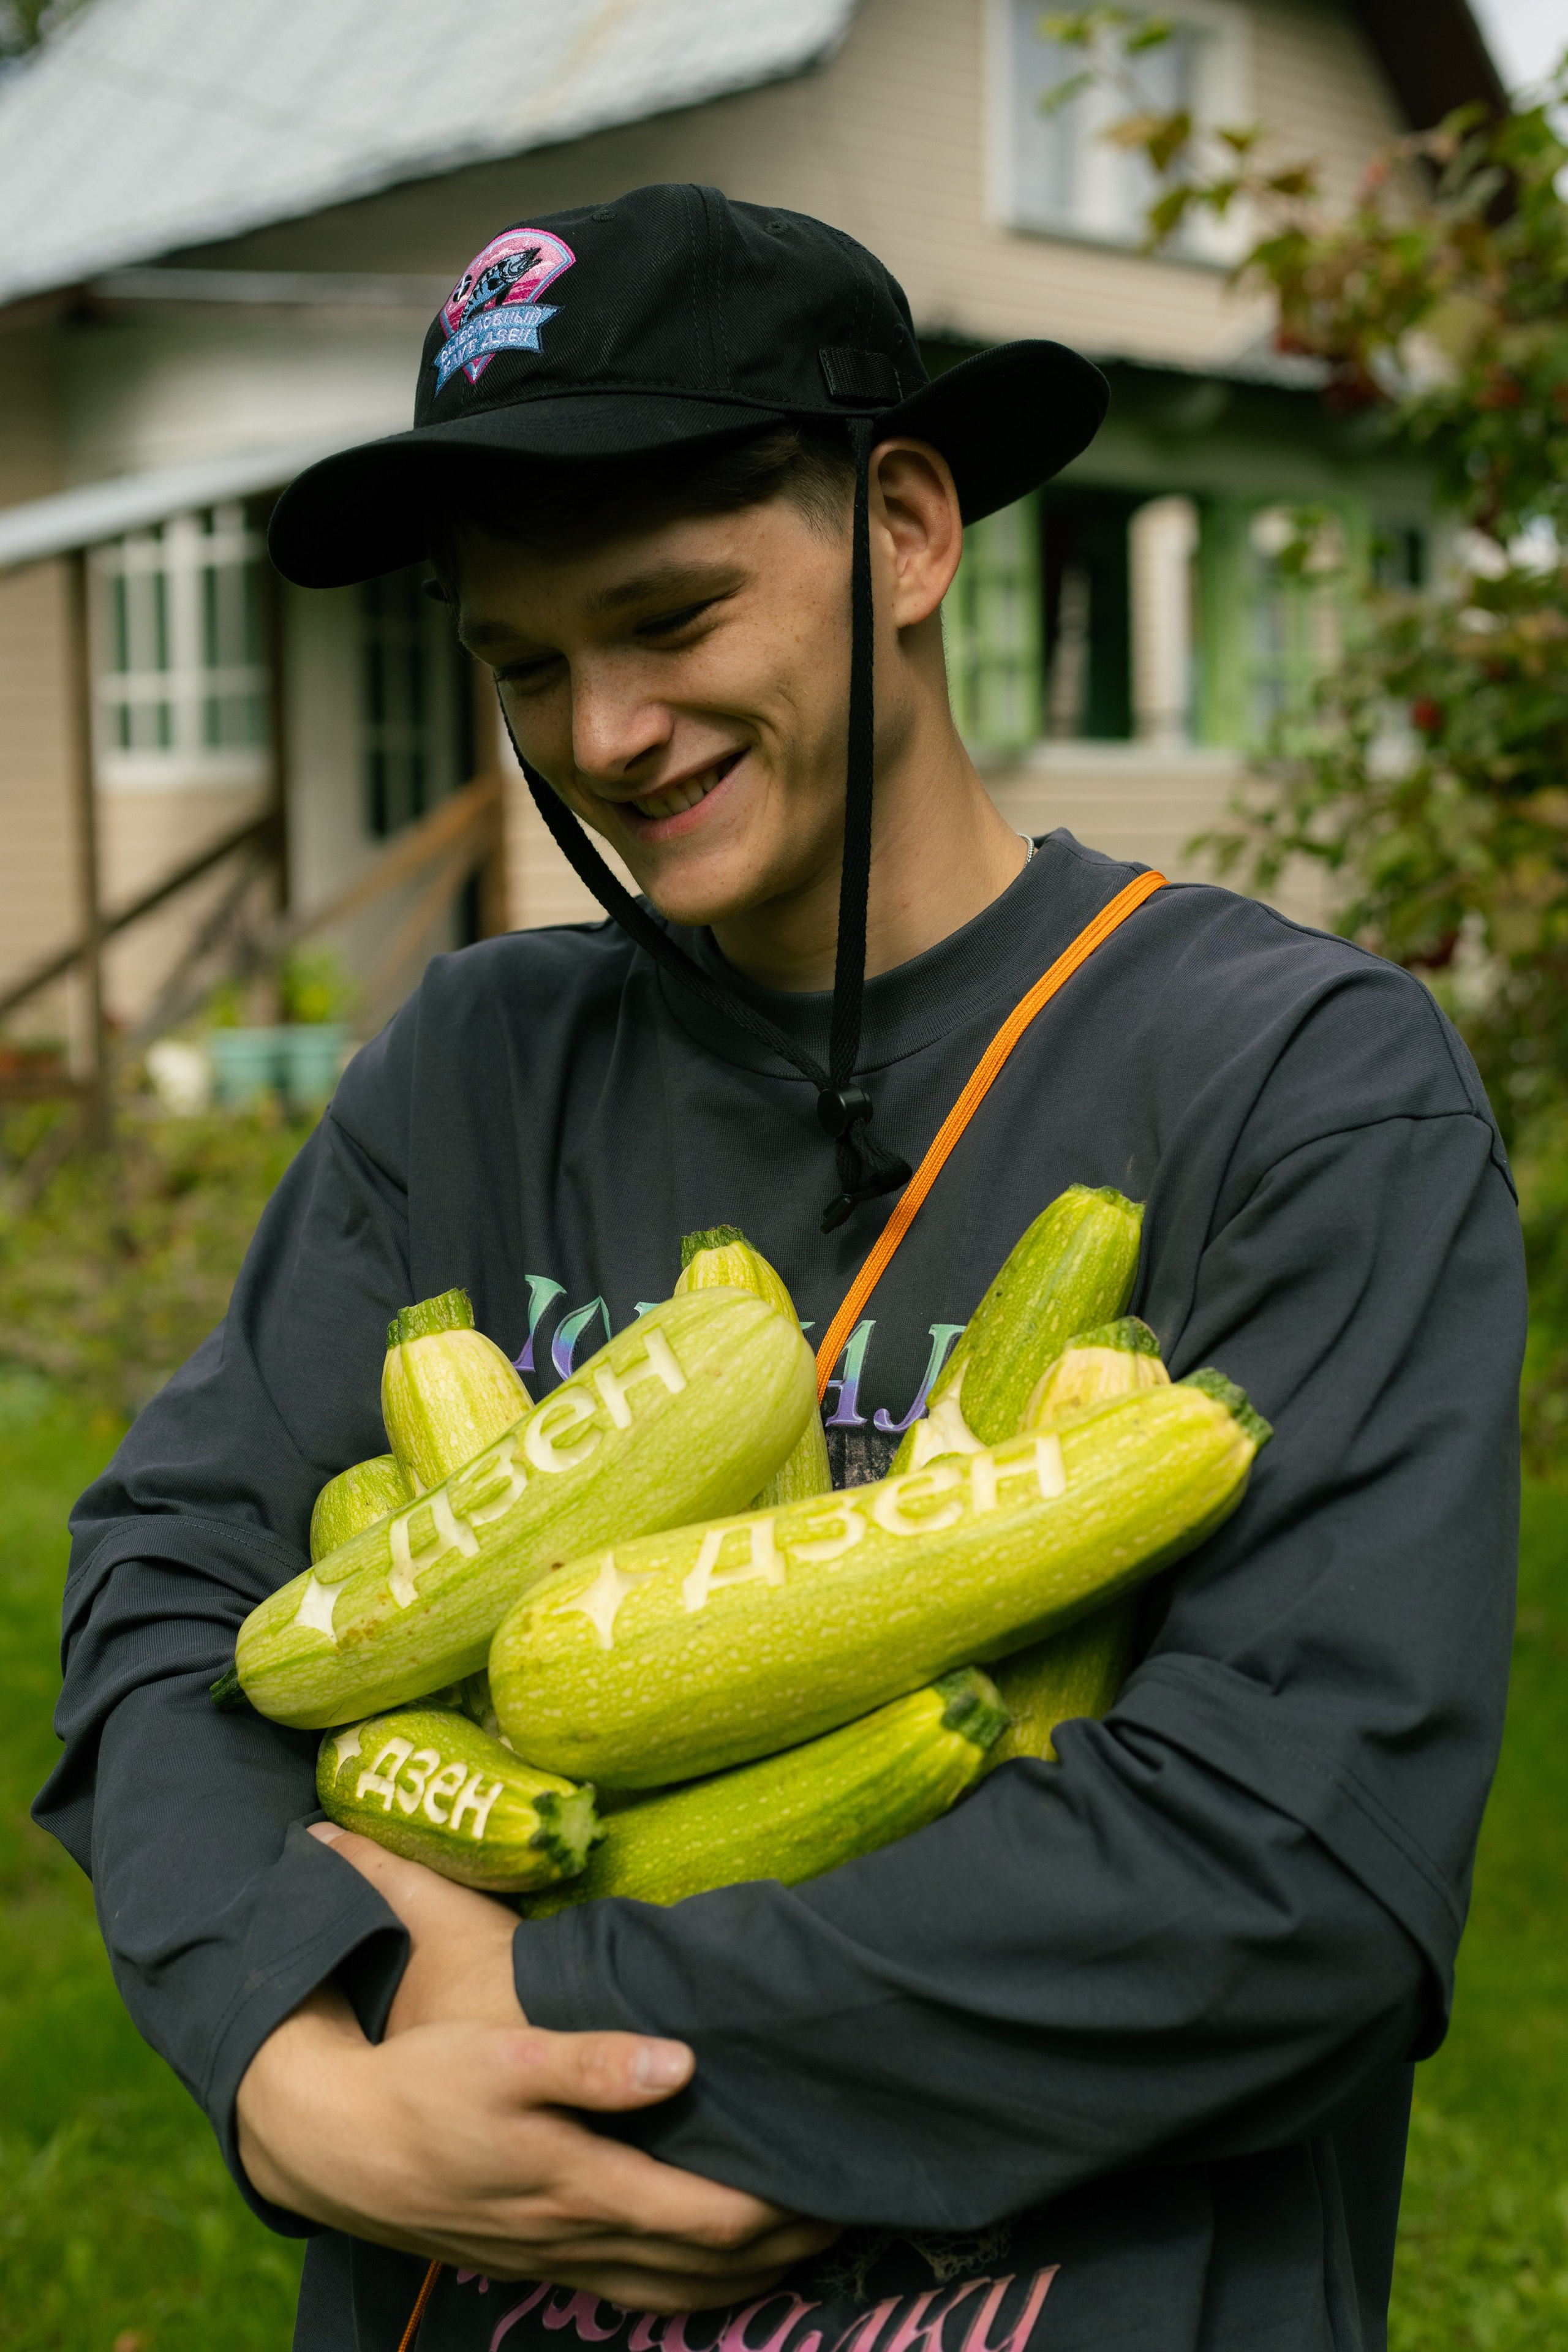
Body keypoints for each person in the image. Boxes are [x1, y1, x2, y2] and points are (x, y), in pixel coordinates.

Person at [37, 183, 1523, 2352]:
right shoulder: (467, 1073)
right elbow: (172, 1597)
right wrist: (289, 2073)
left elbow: (1286, 1869)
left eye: (671, 618)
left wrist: (514, 1996)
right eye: (525, 665)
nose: (605, 736)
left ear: (906, 530)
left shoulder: (1282, 1085)